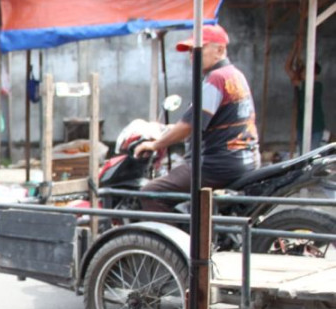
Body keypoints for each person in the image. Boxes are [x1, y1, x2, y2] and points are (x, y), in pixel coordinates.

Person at [135, 24, 260, 213]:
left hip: (217, 164)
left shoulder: (216, 79)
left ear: (219, 50)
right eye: (191, 51)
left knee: (150, 193)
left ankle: (180, 241)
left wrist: (154, 145)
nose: (193, 56)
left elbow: (188, 125)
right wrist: (168, 129)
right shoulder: (235, 75)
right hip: (244, 159)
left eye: (198, 49)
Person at [285, 50, 326, 151]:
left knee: (311, 155)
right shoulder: (302, 83)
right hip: (302, 126)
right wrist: (295, 47)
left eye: (305, 71)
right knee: (303, 155)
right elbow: (287, 67)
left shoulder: (316, 86)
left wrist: (297, 71)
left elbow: (294, 79)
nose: (303, 73)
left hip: (315, 126)